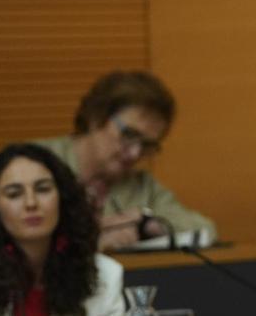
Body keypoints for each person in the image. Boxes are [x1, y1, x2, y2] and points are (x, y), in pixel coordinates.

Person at [34, 71, 215, 251]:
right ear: (96, 117)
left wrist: (149, 225)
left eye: (146, 145)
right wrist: (93, 239)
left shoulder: (141, 186)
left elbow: (205, 229)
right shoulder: (32, 163)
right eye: (129, 134)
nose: (135, 153)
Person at [0, 143, 126, 316]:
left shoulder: (106, 276)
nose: (31, 203)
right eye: (14, 194)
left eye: (43, 189)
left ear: (62, 199)